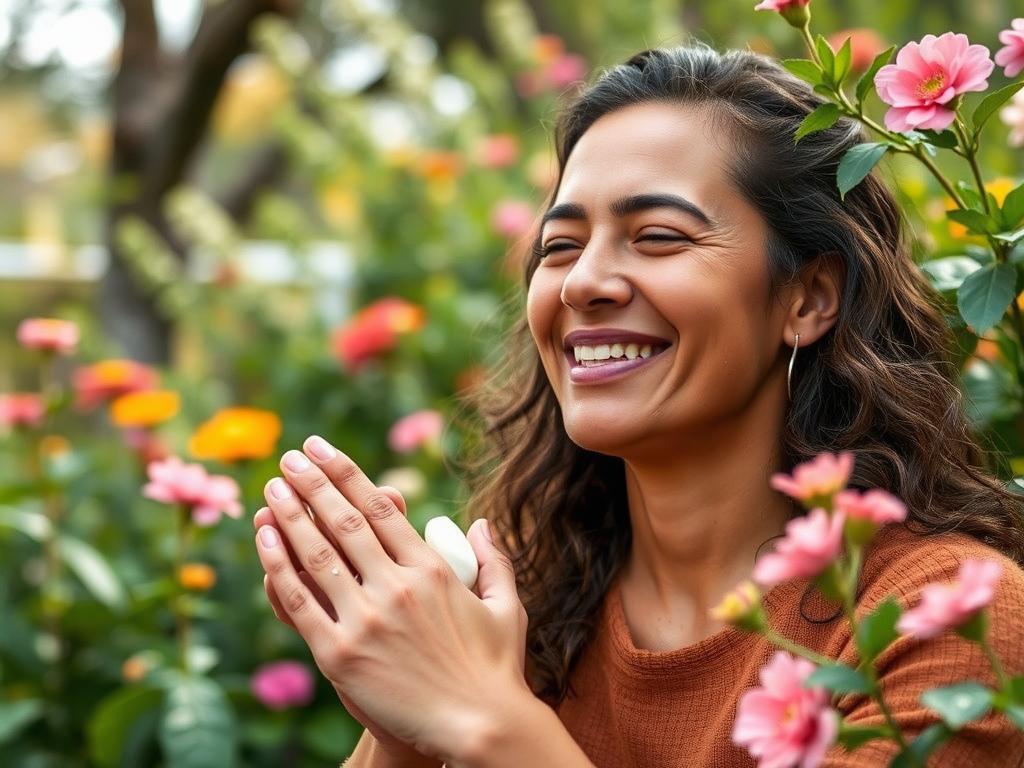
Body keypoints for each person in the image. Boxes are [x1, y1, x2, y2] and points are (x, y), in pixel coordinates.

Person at [252, 44, 1024, 767]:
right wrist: (404, 730)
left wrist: (488, 724)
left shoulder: (952, 617)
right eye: (559, 247)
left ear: (809, 296)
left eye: (656, 236)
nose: (584, 282)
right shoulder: (521, 621)